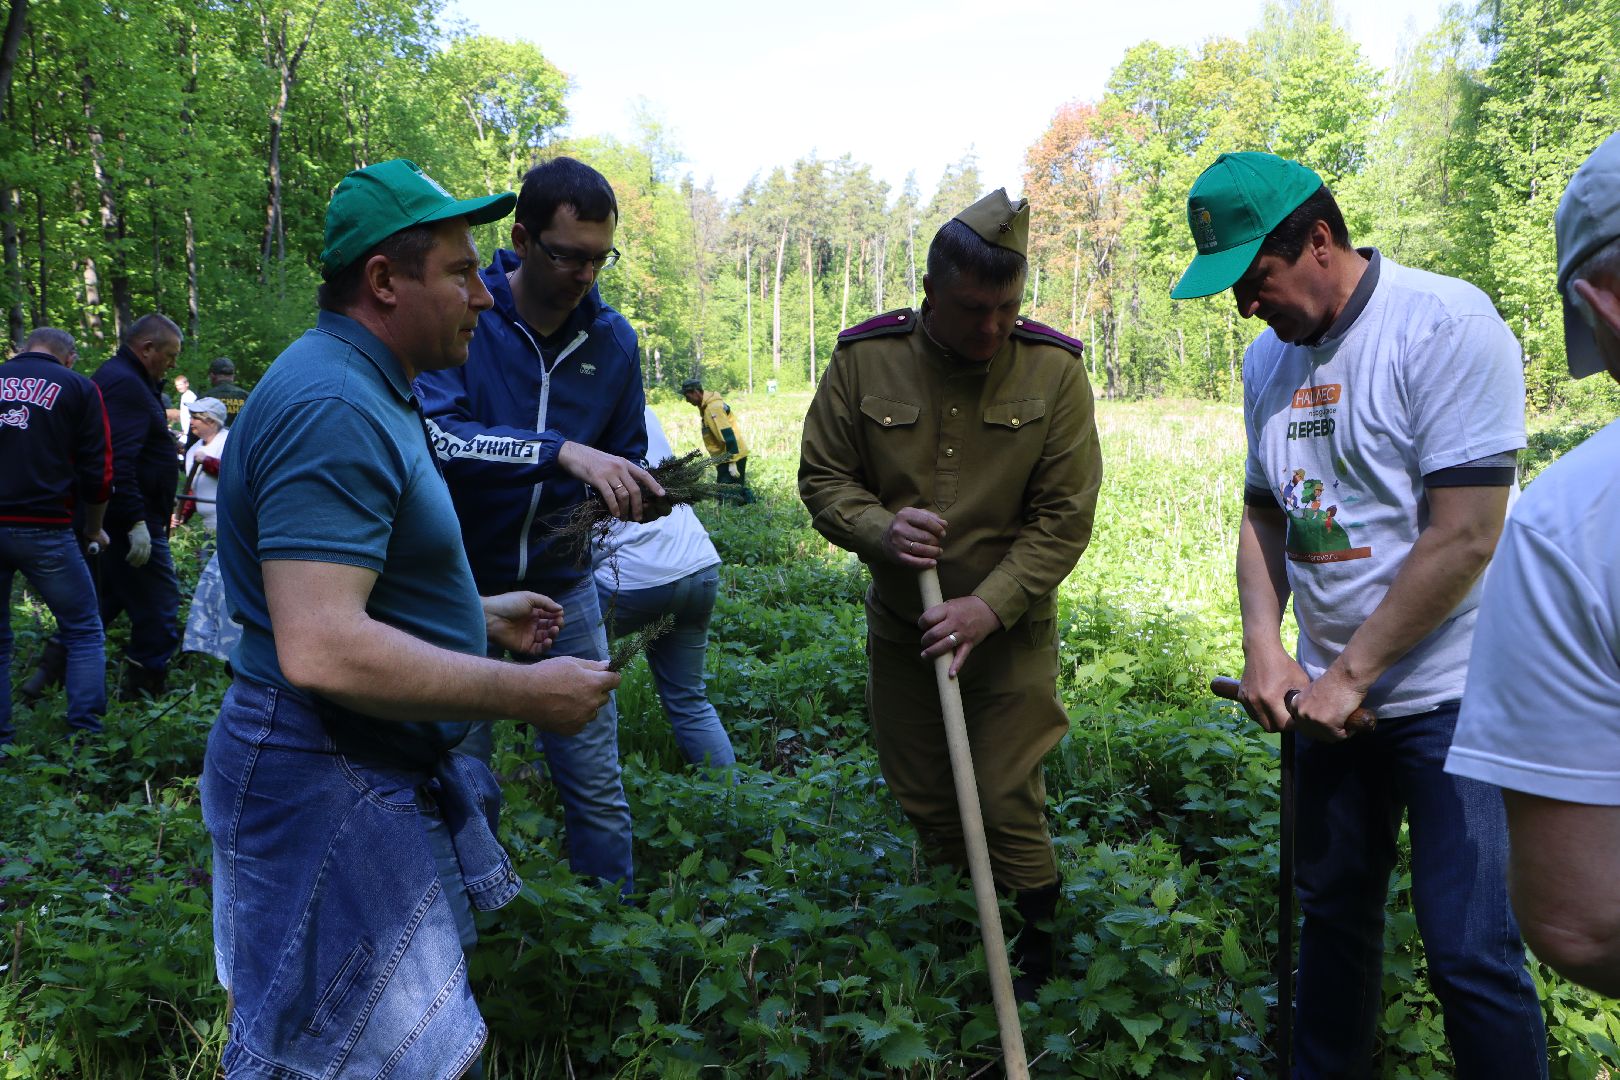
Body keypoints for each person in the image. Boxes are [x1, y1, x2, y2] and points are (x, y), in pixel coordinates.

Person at [199, 157, 618, 1079]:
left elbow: (344, 591)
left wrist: (470, 612)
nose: (487, 296)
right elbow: (320, 644)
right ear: (385, 283)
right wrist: (524, 693)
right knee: (332, 1058)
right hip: (321, 774)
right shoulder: (331, 405)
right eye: (464, 273)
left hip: (356, 761)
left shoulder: (369, 385)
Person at [1170, 151, 1547, 1074]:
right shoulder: (1269, 362)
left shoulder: (1444, 326)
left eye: (1253, 281)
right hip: (1329, 704)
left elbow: (1464, 536)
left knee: (1470, 955)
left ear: (1320, 241)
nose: (1244, 309)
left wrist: (1346, 677)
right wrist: (1268, 649)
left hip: (1458, 698)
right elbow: (1265, 514)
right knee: (1332, 925)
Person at [799, 189, 1102, 1001]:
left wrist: (989, 606)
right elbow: (823, 478)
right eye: (973, 309)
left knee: (1005, 793)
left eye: (1007, 307)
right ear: (929, 292)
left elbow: (1064, 517)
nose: (992, 328)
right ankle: (957, 928)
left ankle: (1036, 952)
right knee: (926, 791)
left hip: (1010, 631)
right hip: (907, 626)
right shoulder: (865, 360)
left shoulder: (1055, 371)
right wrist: (877, 529)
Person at [417, 155, 663, 895]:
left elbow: (623, 453)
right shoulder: (471, 316)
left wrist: (627, 489)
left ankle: (608, 935)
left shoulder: (613, 342)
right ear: (521, 239)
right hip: (462, 593)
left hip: (567, 589)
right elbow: (443, 436)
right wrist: (561, 453)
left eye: (600, 258)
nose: (586, 274)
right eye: (568, 256)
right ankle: (470, 936)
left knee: (595, 779)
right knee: (461, 777)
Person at [1445, 131, 1620, 997]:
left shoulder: (1574, 525)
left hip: (1430, 697)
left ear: (1607, 302)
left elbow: (1579, 923)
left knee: (1478, 957)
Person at [593, 406, 735, 770]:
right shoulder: (642, 410)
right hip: (698, 564)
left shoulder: (567, 419)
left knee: (565, 669)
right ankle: (733, 801)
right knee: (690, 700)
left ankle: (544, 770)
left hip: (632, 577)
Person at [1, 327, 112, 746]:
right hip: (44, 527)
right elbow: (98, 473)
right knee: (83, 629)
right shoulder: (78, 387)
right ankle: (84, 739)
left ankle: (2, 745)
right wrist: (94, 528)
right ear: (70, 356)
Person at [91, 312, 184, 700]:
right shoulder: (125, 385)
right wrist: (135, 521)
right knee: (161, 606)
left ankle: (46, 675)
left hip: (121, 518)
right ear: (147, 349)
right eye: (170, 355)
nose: (173, 364)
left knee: (104, 601)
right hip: (130, 520)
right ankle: (142, 697)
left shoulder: (126, 380)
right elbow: (117, 459)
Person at [681, 377, 754, 503]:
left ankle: (746, 508)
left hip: (731, 456)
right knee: (734, 489)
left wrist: (731, 461)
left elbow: (727, 434)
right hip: (726, 455)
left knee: (726, 495)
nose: (687, 401)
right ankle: (751, 505)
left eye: (688, 396)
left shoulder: (712, 408)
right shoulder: (707, 406)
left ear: (696, 392)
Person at [174, 396, 229, 534]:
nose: (191, 422)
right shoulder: (194, 449)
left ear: (211, 420)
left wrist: (208, 462)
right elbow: (194, 488)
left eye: (195, 418)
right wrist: (182, 514)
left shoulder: (228, 441)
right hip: (207, 526)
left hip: (230, 522)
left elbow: (234, 475)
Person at [205, 356, 249, 425]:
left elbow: (194, 432)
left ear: (212, 375)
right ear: (233, 376)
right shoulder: (247, 397)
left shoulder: (205, 399)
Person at [174, 373, 196, 442]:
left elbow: (193, 414)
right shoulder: (184, 396)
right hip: (186, 432)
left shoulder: (189, 396)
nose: (179, 387)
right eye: (177, 385)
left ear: (187, 384)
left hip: (190, 431)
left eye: (180, 385)